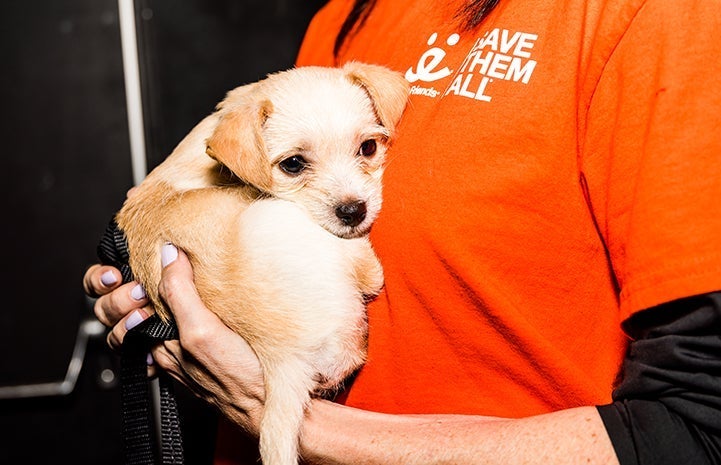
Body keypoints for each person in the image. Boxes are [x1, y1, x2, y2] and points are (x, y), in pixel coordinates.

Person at [84, 0, 721, 463]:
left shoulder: (655, 16)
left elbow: (696, 430)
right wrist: (172, 311)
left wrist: (291, 421)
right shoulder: (345, 18)